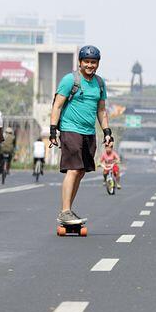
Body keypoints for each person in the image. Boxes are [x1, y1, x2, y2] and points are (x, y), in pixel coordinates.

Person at [50, 45, 112, 227]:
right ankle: (65, 211)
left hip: (89, 132)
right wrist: (53, 129)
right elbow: (57, 105)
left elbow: (101, 110)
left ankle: (67, 210)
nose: (90, 65)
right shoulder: (70, 80)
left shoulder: (100, 83)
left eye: (93, 62)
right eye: (87, 62)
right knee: (74, 169)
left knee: (82, 171)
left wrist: (107, 131)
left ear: (98, 63)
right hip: (70, 129)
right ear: (80, 62)